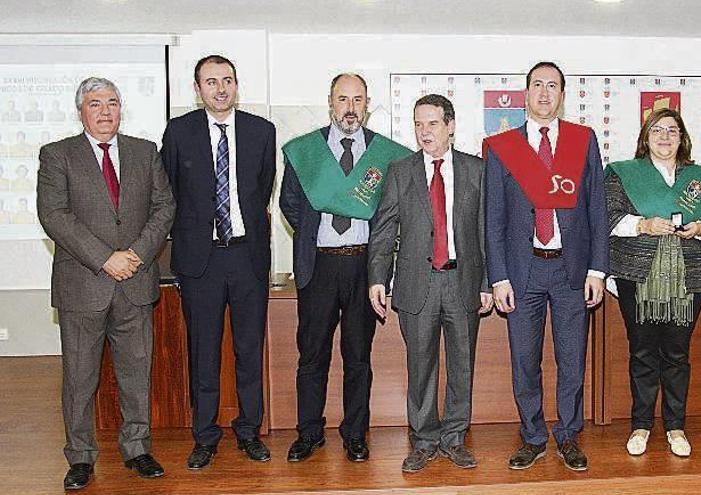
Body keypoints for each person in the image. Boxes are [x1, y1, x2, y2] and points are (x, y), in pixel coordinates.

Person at [37, 77, 175, 490]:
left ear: (121, 108)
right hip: (84, 286)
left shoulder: (144, 151)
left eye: (112, 103)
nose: (104, 111)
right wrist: (104, 259)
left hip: (135, 280)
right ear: (81, 110)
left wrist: (134, 255)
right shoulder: (57, 155)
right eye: (95, 104)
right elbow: (55, 215)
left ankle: (137, 448)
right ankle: (80, 456)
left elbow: (164, 206)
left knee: (137, 372)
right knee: (80, 378)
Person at [483, 61, 609, 472]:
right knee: (525, 359)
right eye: (537, 85)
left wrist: (597, 270)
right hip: (523, 272)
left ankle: (568, 435)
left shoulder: (582, 140)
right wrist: (497, 276)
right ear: (525, 94)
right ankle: (533, 436)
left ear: (562, 95)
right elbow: (494, 219)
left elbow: (597, 209)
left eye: (552, 86)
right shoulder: (503, 147)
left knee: (572, 359)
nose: (543, 92)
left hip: (572, 271)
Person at [279, 73, 410, 463]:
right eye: (342, 100)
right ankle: (309, 432)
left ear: (366, 104)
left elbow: (389, 213)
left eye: (357, 100)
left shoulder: (386, 156)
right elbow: (290, 203)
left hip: (362, 266)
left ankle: (355, 433)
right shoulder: (306, 151)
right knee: (312, 355)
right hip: (318, 267)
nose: (350, 108)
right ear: (330, 103)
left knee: (358, 356)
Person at [161, 54, 277, 469]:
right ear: (198, 89)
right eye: (211, 82)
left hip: (247, 257)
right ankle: (205, 437)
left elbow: (261, 190)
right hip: (200, 261)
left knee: (250, 350)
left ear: (236, 84)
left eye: (227, 80)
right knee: (203, 352)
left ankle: (249, 431)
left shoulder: (262, 131)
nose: (220, 88)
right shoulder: (178, 133)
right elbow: (171, 193)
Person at [367, 94, 493, 472]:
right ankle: (423, 441)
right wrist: (377, 277)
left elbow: (487, 231)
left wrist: (488, 282)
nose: (425, 131)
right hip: (416, 285)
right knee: (420, 366)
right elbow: (384, 228)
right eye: (419, 124)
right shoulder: (400, 171)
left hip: (463, 282)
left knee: (461, 366)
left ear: (451, 126)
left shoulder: (477, 170)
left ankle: (454, 438)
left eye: (433, 123)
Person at [605, 108, 701, 457]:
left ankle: (676, 427)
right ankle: (641, 426)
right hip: (637, 274)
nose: (665, 137)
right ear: (645, 138)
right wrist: (643, 225)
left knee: (677, 354)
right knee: (643, 352)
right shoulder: (622, 174)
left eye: (672, 131)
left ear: (683, 138)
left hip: (688, 276)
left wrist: (700, 229)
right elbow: (609, 216)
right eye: (657, 130)